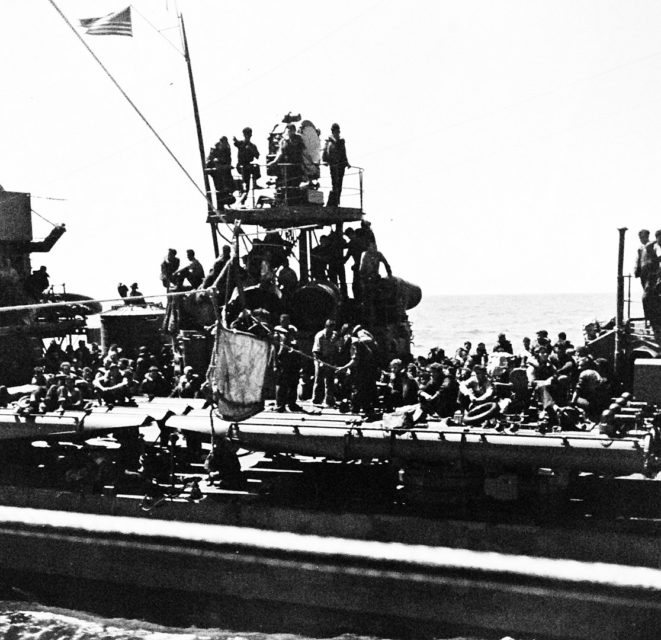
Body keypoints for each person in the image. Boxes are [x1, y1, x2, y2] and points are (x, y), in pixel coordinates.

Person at [273, 314, 302, 412]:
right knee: (281, 383)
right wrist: (275, 362)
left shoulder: (293, 331)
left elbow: (297, 344)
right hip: (282, 360)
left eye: (287, 320)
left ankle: (292, 403)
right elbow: (274, 348)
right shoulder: (277, 332)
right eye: (283, 320)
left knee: (293, 383)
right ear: (280, 321)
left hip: (293, 360)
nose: (285, 322)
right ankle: (280, 405)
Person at [268, 124, 304, 191]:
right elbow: (280, 152)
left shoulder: (299, 139)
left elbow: (303, 151)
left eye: (291, 130)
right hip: (286, 167)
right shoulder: (283, 141)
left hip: (296, 166)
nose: (289, 132)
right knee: (286, 184)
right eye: (288, 131)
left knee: (295, 184)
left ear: (294, 131)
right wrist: (274, 162)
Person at [312, 319, 339, 407]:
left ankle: (329, 400)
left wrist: (334, 361)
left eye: (333, 328)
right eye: (330, 327)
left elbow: (336, 348)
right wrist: (320, 362)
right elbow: (316, 351)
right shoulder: (320, 336)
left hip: (330, 359)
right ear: (326, 327)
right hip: (320, 358)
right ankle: (316, 400)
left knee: (330, 380)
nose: (331, 330)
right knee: (319, 379)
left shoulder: (335, 335)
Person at [322, 123, 350, 207]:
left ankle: (337, 201)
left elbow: (344, 153)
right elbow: (325, 153)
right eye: (335, 131)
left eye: (338, 132)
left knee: (339, 184)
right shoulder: (329, 142)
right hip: (333, 165)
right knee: (335, 183)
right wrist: (325, 161)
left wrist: (346, 163)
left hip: (340, 165)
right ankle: (334, 201)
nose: (337, 133)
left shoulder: (341, 142)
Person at [234, 127, 262, 203]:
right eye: (246, 134)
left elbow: (257, 156)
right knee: (246, 183)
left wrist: (251, 150)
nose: (247, 136)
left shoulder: (253, 146)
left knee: (256, 167)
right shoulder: (241, 143)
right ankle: (243, 197)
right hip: (241, 165)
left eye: (248, 134)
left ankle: (255, 183)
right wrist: (235, 140)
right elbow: (236, 143)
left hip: (248, 165)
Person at [206, 136, 235, 208]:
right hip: (215, 172)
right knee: (219, 188)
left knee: (230, 185)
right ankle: (221, 205)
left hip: (224, 171)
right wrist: (217, 162)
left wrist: (227, 166)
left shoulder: (227, 149)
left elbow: (228, 160)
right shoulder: (215, 149)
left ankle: (226, 198)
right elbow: (210, 161)